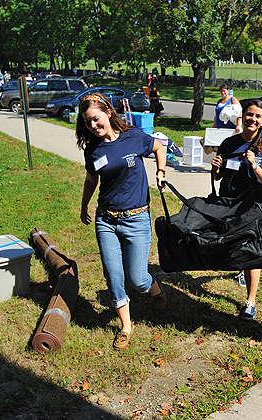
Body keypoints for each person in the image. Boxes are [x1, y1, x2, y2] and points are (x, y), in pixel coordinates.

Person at [76, 92, 168, 351]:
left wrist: (161, 171)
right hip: (106, 220)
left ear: (108, 113)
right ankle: (126, 326)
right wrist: (84, 205)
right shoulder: (93, 149)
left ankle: (155, 289)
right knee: (114, 276)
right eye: (87, 122)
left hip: (137, 219)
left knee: (138, 279)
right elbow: (91, 180)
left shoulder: (134, 137)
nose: (92, 126)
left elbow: (158, 147)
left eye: (95, 119)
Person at [211, 99, 262, 320]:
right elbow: (218, 177)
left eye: (258, 116)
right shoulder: (229, 143)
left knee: (252, 252)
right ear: (243, 116)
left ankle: (250, 301)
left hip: (252, 206)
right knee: (232, 246)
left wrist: (254, 165)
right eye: (250, 114)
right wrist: (215, 169)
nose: (253, 119)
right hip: (228, 204)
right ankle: (240, 270)